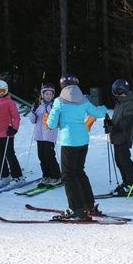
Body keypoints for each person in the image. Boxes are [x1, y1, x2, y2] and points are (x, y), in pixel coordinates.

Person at [46, 75, 107, 221]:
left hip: (69, 142)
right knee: (79, 171)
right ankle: (89, 205)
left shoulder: (59, 102)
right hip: (83, 140)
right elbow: (99, 113)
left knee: (68, 175)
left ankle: (76, 209)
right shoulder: (84, 100)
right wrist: (104, 107)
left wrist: (52, 120)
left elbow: (52, 124)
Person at [104, 79, 133, 196]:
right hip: (117, 137)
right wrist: (109, 123)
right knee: (119, 161)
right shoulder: (120, 103)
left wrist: (114, 127)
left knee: (125, 161)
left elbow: (126, 120)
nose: (118, 95)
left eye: (119, 93)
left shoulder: (128, 102)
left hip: (123, 137)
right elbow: (117, 120)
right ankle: (127, 182)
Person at [0, 80, 25, 186]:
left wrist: (14, 128)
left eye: (4, 90)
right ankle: (5, 176)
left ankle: (18, 177)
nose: (2, 92)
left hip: (7, 133)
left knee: (10, 154)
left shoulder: (9, 102)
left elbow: (16, 117)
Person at [30, 83, 62, 188]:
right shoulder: (39, 105)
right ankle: (46, 175)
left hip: (49, 135)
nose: (48, 96)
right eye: (46, 94)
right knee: (42, 156)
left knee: (49, 156)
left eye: (50, 94)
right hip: (40, 135)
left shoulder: (55, 106)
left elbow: (56, 118)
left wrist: (48, 109)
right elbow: (33, 120)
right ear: (42, 95)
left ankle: (56, 176)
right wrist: (33, 111)